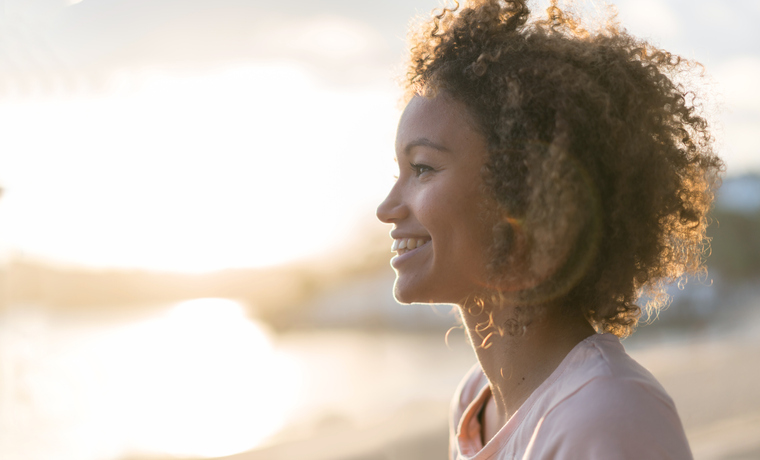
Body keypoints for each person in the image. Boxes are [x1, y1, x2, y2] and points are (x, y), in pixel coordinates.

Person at [375, 0, 723, 459]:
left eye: (421, 169)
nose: (386, 208)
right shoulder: (476, 403)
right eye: (398, 171)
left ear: (524, 191)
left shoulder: (608, 415)